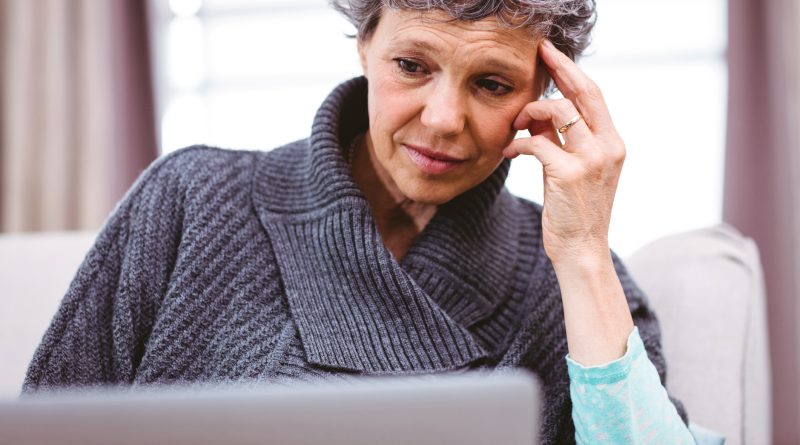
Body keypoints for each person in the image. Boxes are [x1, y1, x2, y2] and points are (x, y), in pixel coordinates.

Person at [24, 1, 708, 443]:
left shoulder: (577, 285)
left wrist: (583, 253)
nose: (443, 118)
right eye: (411, 66)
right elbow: (47, 424)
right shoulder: (190, 198)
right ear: (364, 43)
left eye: (492, 84)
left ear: (544, 94)